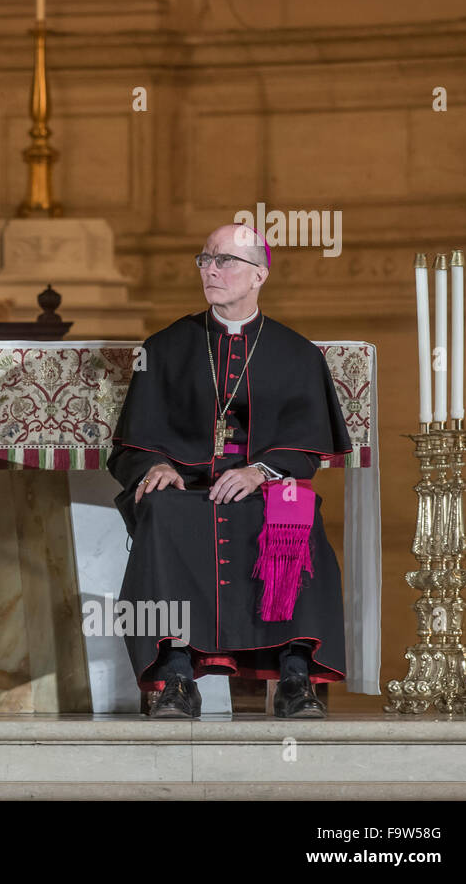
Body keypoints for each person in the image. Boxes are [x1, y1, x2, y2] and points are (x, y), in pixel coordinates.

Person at [108, 224, 352, 719]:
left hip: (265, 488)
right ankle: (175, 675)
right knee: (159, 510)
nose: (211, 270)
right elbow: (131, 442)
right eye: (205, 260)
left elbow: (308, 451)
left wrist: (260, 471)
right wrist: (156, 464)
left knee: (296, 508)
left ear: (259, 274)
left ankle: (295, 677)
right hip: (188, 490)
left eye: (224, 261)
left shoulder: (296, 353)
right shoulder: (167, 346)